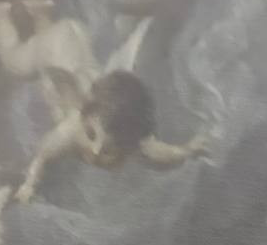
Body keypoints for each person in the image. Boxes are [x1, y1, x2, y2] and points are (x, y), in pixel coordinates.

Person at [16, 70, 209, 203]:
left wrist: (187, 151)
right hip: (59, 96)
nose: (95, 151)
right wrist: (29, 185)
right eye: (90, 134)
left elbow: (163, 154)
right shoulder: (70, 132)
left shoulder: (132, 144)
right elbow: (42, 156)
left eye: (109, 149)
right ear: (84, 117)